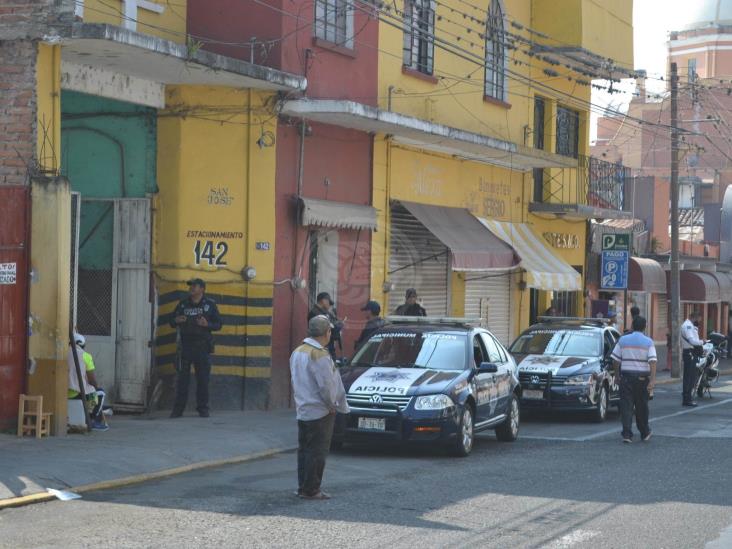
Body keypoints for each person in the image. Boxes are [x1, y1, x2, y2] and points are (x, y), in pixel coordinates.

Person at [290, 315, 350, 500]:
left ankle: (303, 487)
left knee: (304, 451)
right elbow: (326, 386)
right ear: (327, 333)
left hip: (303, 407)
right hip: (320, 410)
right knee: (317, 452)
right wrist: (332, 404)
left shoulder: (298, 351)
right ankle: (312, 489)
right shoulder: (320, 354)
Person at [169, 278, 222, 418]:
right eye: (191, 286)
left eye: (195, 286)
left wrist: (207, 324)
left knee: (203, 380)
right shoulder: (183, 304)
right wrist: (176, 320)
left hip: (202, 347)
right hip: (185, 347)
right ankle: (178, 410)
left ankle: (203, 409)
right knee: (182, 381)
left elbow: (218, 324)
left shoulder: (209, 305)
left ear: (202, 289)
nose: (191, 288)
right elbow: (171, 321)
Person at [611, 315, 657, 443]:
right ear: (645, 327)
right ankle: (644, 432)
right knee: (642, 406)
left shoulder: (623, 340)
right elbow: (652, 361)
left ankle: (627, 434)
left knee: (626, 406)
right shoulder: (648, 342)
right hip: (642, 379)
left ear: (632, 326)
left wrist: (617, 376)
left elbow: (615, 360)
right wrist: (652, 380)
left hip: (626, 377)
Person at [68, 334, 108, 431]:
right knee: (100, 393)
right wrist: (95, 387)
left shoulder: (63, 353)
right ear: (82, 345)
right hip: (77, 393)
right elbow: (92, 380)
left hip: (64, 392)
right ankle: (92, 420)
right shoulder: (85, 356)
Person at [307, 292, 343, 360]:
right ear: (323, 301)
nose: (329, 306)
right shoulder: (316, 313)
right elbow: (323, 330)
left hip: (326, 346)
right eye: (329, 303)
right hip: (321, 347)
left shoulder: (324, 313)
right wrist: (336, 327)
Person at [680, 311, 704, 407]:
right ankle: (687, 399)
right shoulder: (688, 326)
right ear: (695, 317)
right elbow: (693, 341)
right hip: (689, 353)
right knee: (689, 377)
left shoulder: (690, 326)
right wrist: (703, 342)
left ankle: (687, 398)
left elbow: (694, 338)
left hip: (691, 353)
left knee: (691, 376)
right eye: (699, 319)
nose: (699, 321)